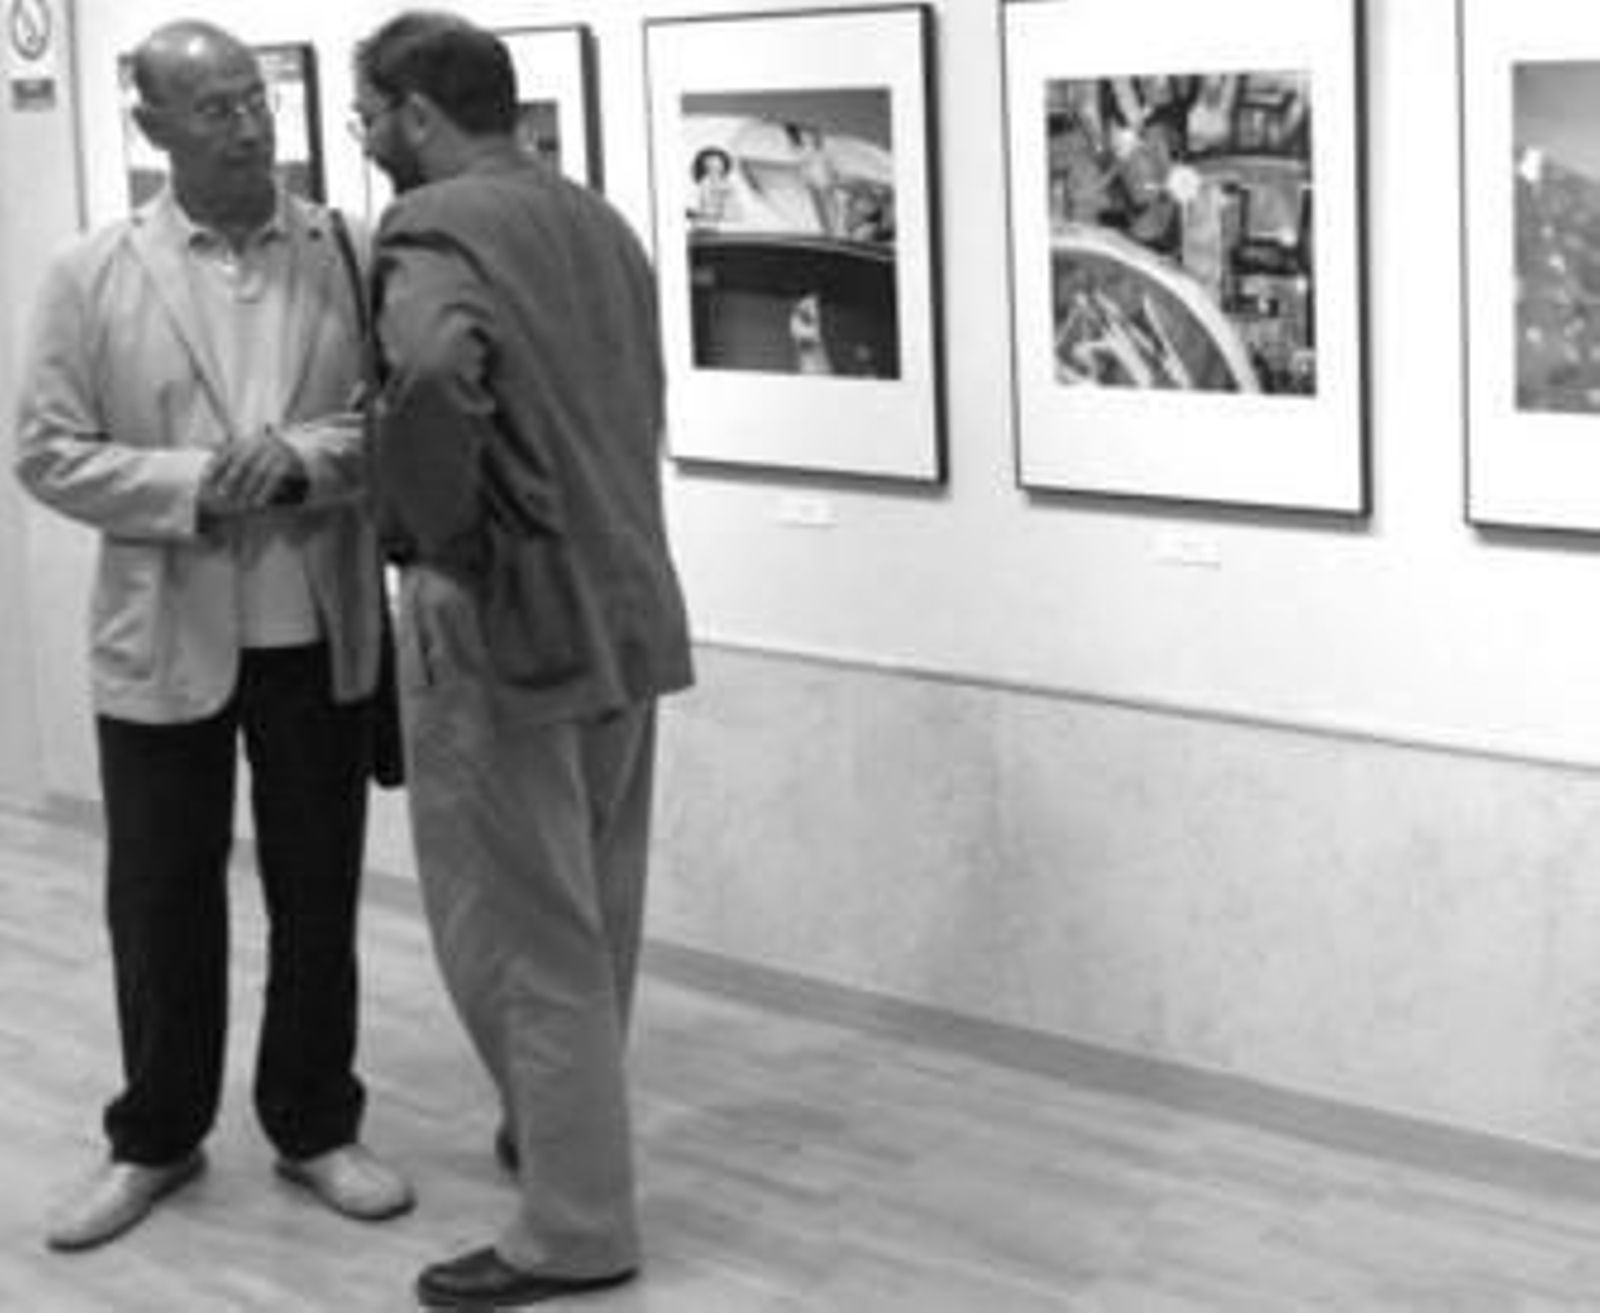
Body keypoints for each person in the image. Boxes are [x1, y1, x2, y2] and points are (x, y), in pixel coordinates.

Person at [12, 19, 413, 1252]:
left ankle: (312, 1120)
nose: (248, 122)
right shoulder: (92, 271)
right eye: (215, 106)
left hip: (314, 626)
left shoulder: (347, 249)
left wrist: (298, 459)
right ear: (154, 129)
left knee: (316, 893)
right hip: (163, 634)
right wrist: (196, 481)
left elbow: (389, 416)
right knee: (160, 900)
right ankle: (154, 1135)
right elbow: (46, 451)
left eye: (256, 97)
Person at [350, 11, 694, 1309]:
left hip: (505, 618)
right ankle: (561, 1132)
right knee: (597, 908)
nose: (368, 141)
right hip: (627, 602)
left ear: (416, 114)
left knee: (514, 920)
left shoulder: (433, 228)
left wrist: (435, 543)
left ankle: (575, 1225)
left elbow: (435, 375)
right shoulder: (600, 223)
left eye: (367, 117)